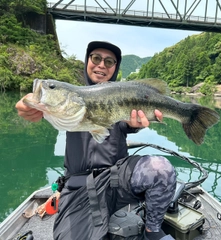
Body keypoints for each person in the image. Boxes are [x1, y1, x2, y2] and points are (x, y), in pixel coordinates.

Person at [15, 41, 176, 240]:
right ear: (87, 61)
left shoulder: (121, 97)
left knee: (160, 168)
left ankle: (152, 231)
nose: (101, 65)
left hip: (118, 180)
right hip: (78, 188)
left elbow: (129, 124)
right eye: (96, 58)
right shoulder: (70, 103)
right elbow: (31, 103)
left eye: (109, 62)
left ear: (115, 68)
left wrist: (138, 123)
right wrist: (27, 105)